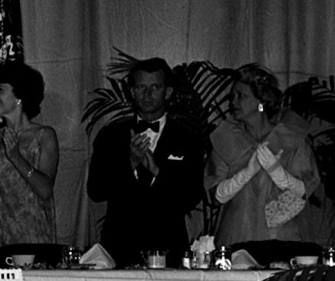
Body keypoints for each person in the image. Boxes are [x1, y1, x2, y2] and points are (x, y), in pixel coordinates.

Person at [87, 57, 204, 266]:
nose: (147, 94)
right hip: (120, 246)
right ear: (131, 92)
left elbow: (191, 196)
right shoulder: (110, 135)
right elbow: (96, 190)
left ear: (167, 92)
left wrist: (157, 170)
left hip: (169, 245)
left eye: (154, 87)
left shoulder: (188, 138)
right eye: (140, 87)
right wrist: (129, 163)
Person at [206, 64, 319, 248]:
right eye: (232, 96)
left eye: (241, 96)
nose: (232, 102)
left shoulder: (291, 137)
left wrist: (277, 173)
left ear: (261, 102)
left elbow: (305, 190)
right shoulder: (226, 138)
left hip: (285, 237)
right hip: (237, 234)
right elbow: (216, 196)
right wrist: (245, 174)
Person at [0, 61, 58, 264]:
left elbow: (45, 189)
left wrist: (16, 157)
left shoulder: (44, 135)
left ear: (19, 95)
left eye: (0, 90)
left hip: (32, 237)